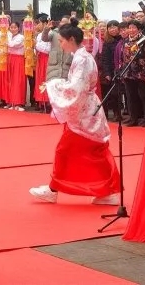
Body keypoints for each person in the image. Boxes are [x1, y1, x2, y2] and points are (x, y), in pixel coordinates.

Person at [30, 23, 121, 205]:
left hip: (83, 113)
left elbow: (76, 88)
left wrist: (54, 85)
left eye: (62, 41)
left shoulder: (82, 59)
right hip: (86, 110)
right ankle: (105, 191)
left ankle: (54, 190)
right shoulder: (82, 57)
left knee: (66, 151)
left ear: (71, 40)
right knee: (94, 152)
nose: (61, 44)